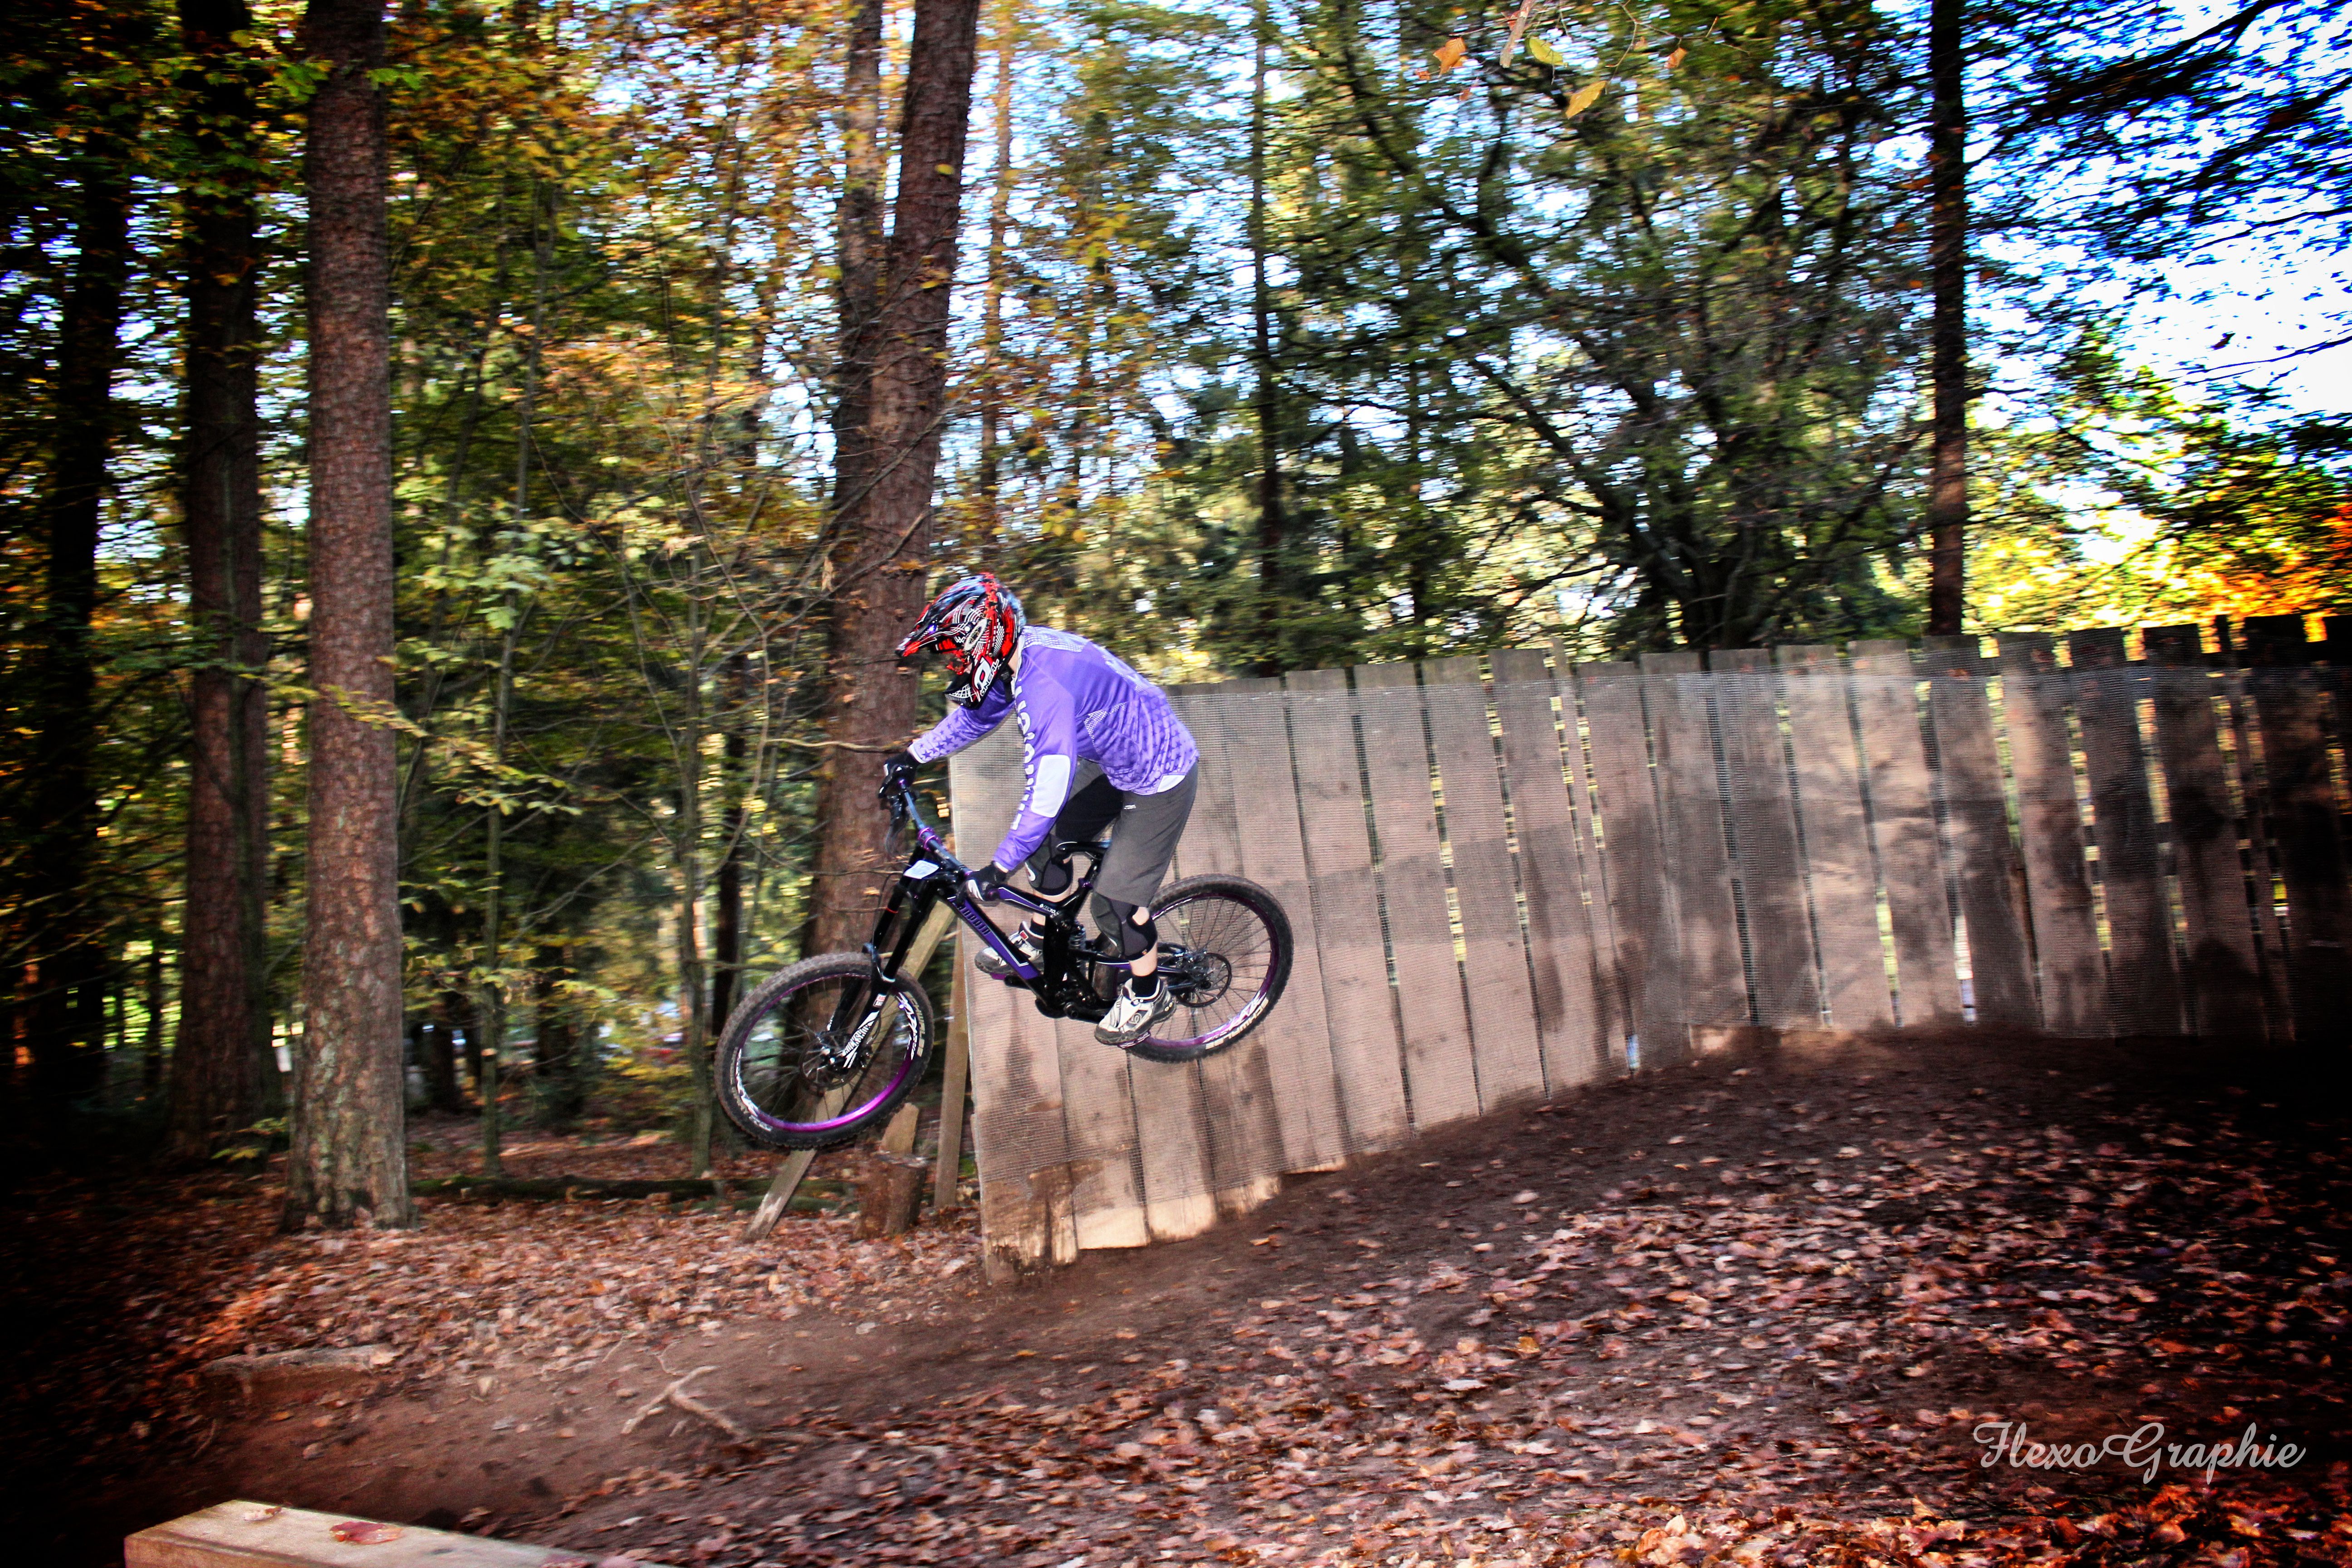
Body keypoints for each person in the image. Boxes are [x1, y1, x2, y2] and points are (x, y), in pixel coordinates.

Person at [885, 574, 1198, 1047]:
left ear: (987, 640)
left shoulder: (1044, 685)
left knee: (1114, 905)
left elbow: (1046, 790)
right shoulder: (1013, 658)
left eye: (958, 653)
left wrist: (1001, 865)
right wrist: (913, 756)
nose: (955, 664)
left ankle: (1149, 992)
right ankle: (1040, 936)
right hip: (1112, 760)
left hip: (1160, 773)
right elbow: (976, 717)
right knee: (1045, 843)